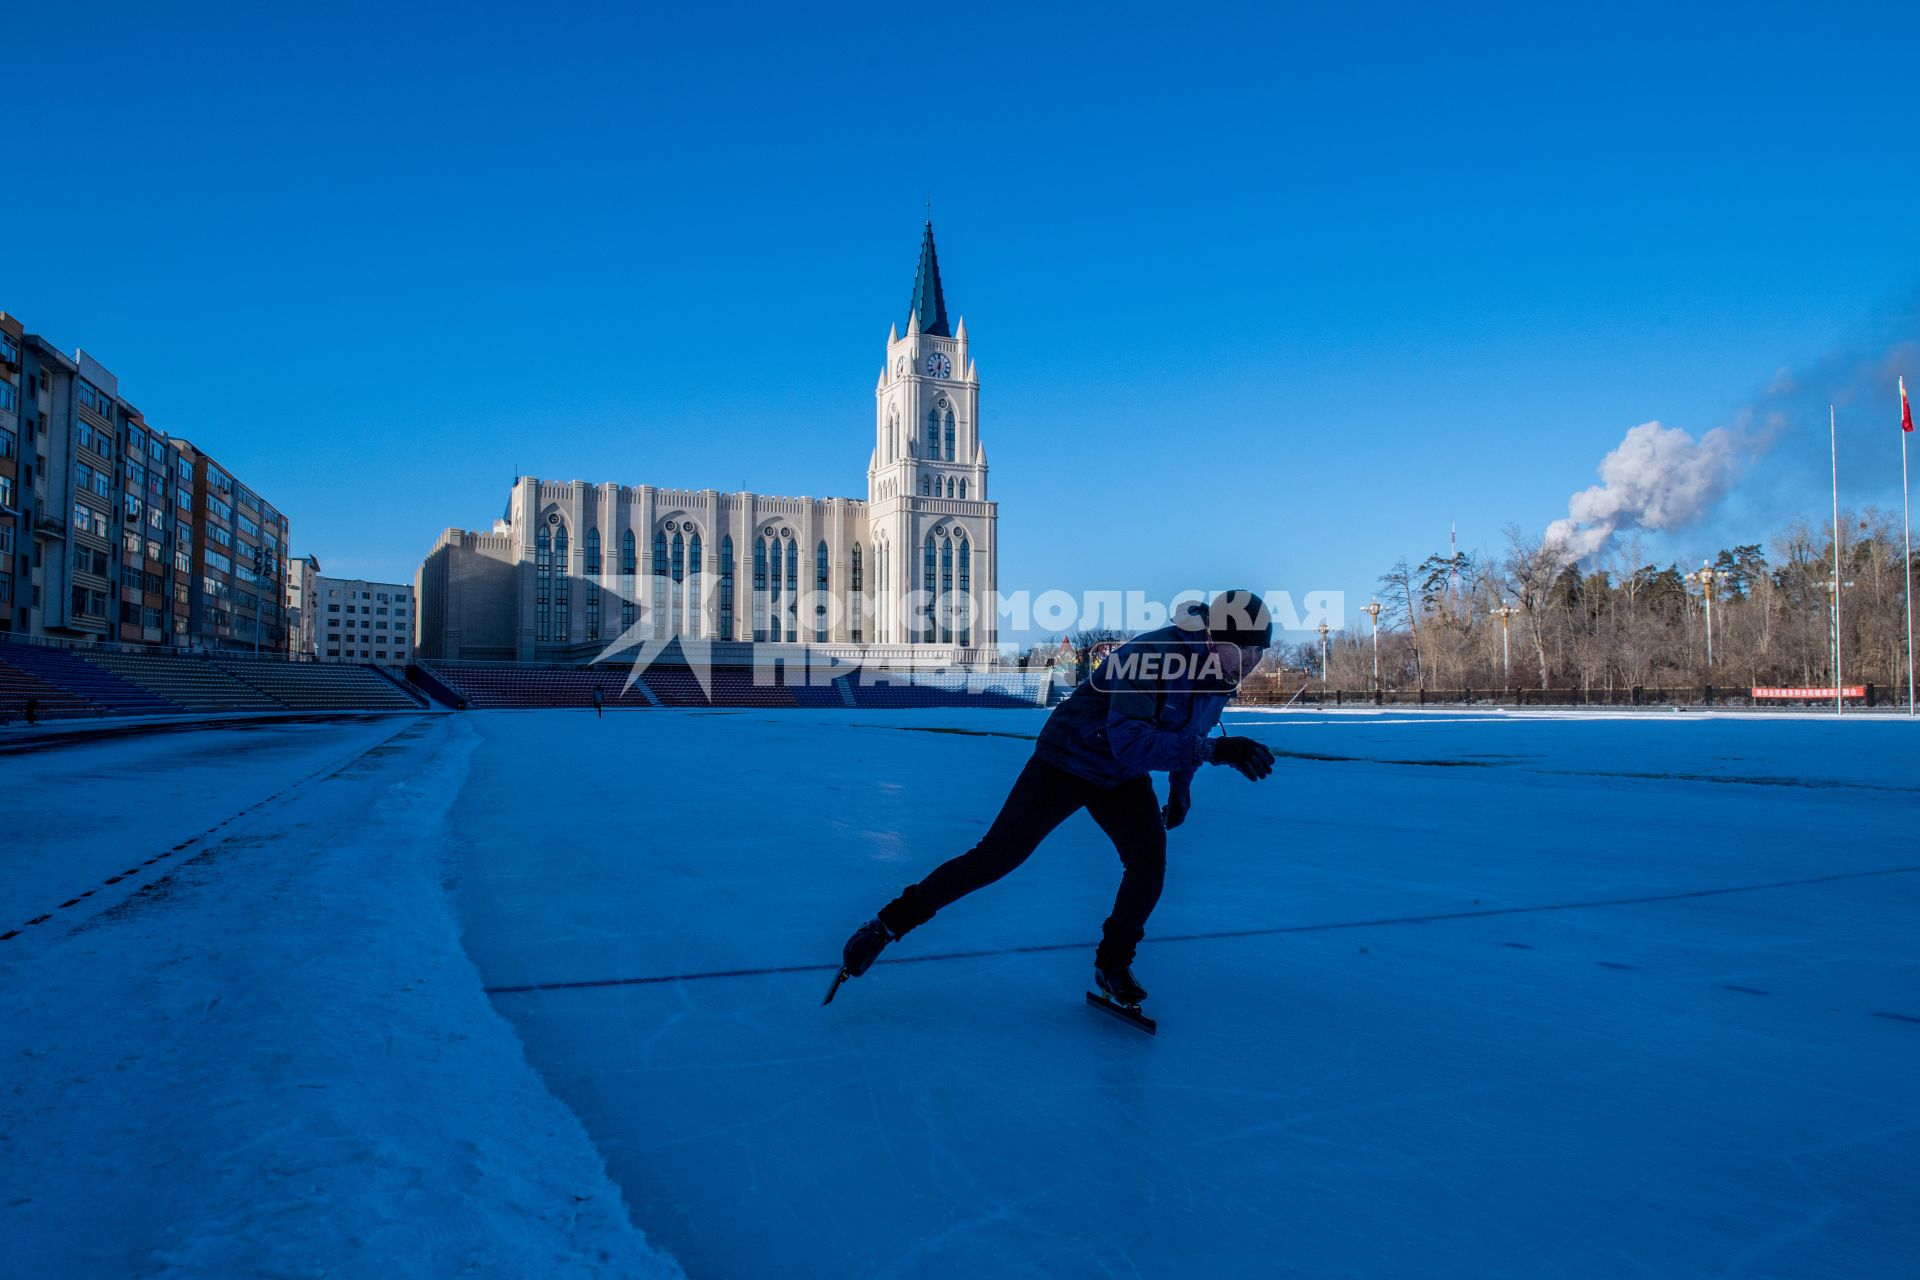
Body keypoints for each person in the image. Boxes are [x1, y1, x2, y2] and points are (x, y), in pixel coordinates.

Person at [833, 589, 1278, 1008]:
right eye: (1244, 649)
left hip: (1120, 776)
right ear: (1212, 637)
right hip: (1067, 759)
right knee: (996, 858)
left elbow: (1190, 732)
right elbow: (1131, 741)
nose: (1252, 662)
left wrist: (1182, 790)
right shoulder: (1149, 657)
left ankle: (1113, 965)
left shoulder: (1218, 675)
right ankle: (887, 924)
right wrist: (1216, 752)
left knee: (1148, 865)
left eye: (1260, 652)